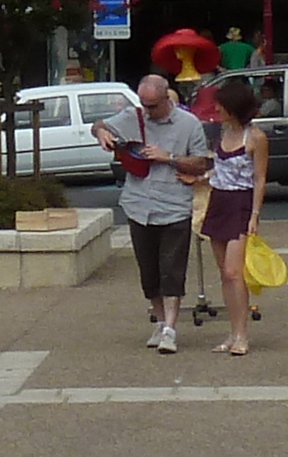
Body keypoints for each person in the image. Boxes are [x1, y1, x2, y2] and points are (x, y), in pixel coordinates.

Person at [101, 73, 213, 353]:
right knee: (148, 272)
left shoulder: (188, 124)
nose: (147, 111)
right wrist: (102, 133)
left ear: (167, 97)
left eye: (152, 105)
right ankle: (161, 322)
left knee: (172, 271)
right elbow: (100, 125)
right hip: (139, 205)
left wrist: (169, 157)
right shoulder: (133, 117)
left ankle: (171, 329)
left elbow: (201, 163)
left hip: (174, 206)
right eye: (144, 105)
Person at [200, 75, 272, 357]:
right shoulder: (221, 134)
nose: (216, 110)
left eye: (221, 105)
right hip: (218, 199)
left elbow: (260, 178)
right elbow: (219, 170)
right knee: (224, 273)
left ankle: (242, 334)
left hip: (241, 203)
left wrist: (255, 214)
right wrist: (199, 178)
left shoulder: (255, 137)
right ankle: (232, 333)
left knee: (234, 271)